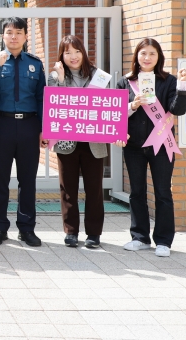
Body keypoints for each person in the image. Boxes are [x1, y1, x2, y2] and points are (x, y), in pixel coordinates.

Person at [48, 35, 125, 249]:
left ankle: (94, 234)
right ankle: (71, 232)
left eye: (77, 51)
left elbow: (107, 107)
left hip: (94, 139)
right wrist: (61, 80)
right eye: (67, 52)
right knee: (68, 189)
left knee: (94, 189)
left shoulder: (98, 76)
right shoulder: (55, 77)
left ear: (83, 53)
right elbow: (55, 106)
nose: (73, 56)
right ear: (61, 56)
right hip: (66, 141)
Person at [116, 38, 186, 257]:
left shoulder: (168, 81)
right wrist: (133, 105)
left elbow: (177, 110)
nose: (147, 58)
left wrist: (183, 86)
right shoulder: (125, 82)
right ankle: (139, 237)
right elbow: (116, 114)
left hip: (162, 145)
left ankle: (164, 241)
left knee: (163, 192)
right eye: (143, 53)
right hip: (134, 145)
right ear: (136, 56)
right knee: (136, 192)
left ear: (159, 57)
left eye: (152, 54)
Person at [0, 17, 47, 247]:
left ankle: (26, 229)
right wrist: (0, 66)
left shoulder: (35, 63)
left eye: (18, 32)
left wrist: (43, 128)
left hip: (30, 125)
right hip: (1, 123)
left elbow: (42, 98)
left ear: (25, 36)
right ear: (3, 36)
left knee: (27, 179)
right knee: (0, 180)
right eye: (9, 32)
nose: (14, 36)